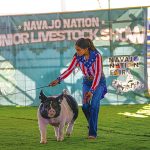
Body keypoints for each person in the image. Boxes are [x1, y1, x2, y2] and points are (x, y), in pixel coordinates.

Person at [49, 38, 107, 139]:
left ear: (86, 49)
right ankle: (92, 124)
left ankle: (92, 133)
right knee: (85, 107)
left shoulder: (97, 56)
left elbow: (97, 75)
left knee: (94, 106)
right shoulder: (77, 57)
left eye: (79, 50)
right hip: (87, 82)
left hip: (98, 83)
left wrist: (92, 91)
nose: (77, 52)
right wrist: (58, 80)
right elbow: (69, 69)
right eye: (76, 49)